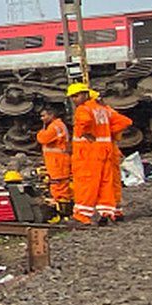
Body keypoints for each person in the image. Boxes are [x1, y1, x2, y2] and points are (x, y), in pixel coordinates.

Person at [67, 83, 114, 225]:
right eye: (72, 97)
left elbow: (84, 121)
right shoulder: (102, 109)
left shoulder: (83, 109)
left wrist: (83, 132)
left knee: (86, 182)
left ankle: (82, 215)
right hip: (105, 149)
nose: (74, 99)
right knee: (105, 182)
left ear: (86, 94)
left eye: (77, 95)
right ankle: (106, 212)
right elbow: (122, 121)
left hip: (88, 152)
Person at [36, 105, 72, 217]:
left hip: (58, 161)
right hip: (55, 161)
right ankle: (62, 208)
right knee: (57, 185)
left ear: (51, 115)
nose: (42, 118)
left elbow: (43, 138)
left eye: (44, 116)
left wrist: (40, 132)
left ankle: (63, 211)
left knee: (59, 185)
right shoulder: (57, 125)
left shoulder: (55, 127)